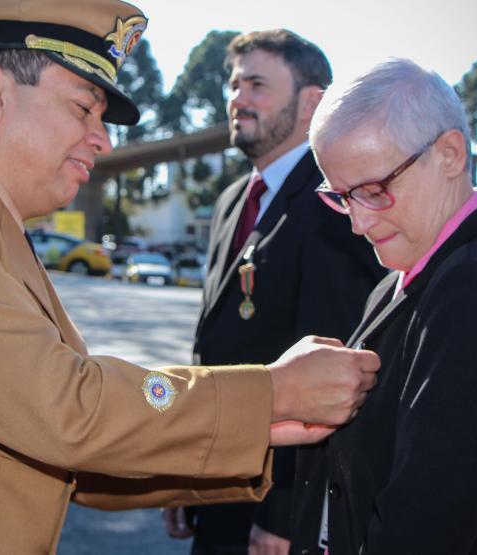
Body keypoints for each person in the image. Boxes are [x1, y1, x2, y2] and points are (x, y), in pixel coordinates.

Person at [0, 2, 382, 554]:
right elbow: (66, 409)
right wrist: (273, 392)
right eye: (84, 107)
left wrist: (267, 433)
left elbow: (71, 462)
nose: (102, 141)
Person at [288, 58, 477, 555]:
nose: (356, 223)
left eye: (374, 192)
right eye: (342, 197)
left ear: (450, 154)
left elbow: (422, 526)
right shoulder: (405, 277)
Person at [162, 30, 384, 555]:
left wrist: (287, 511)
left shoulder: (334, 207)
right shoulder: (233, 200)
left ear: (312, 102)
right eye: (235, 84)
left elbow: (336, 376)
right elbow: (213, 353)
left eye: (257, 84)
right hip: (216, 481)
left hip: (276, 508)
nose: (238, 97)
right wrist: (183, 474)